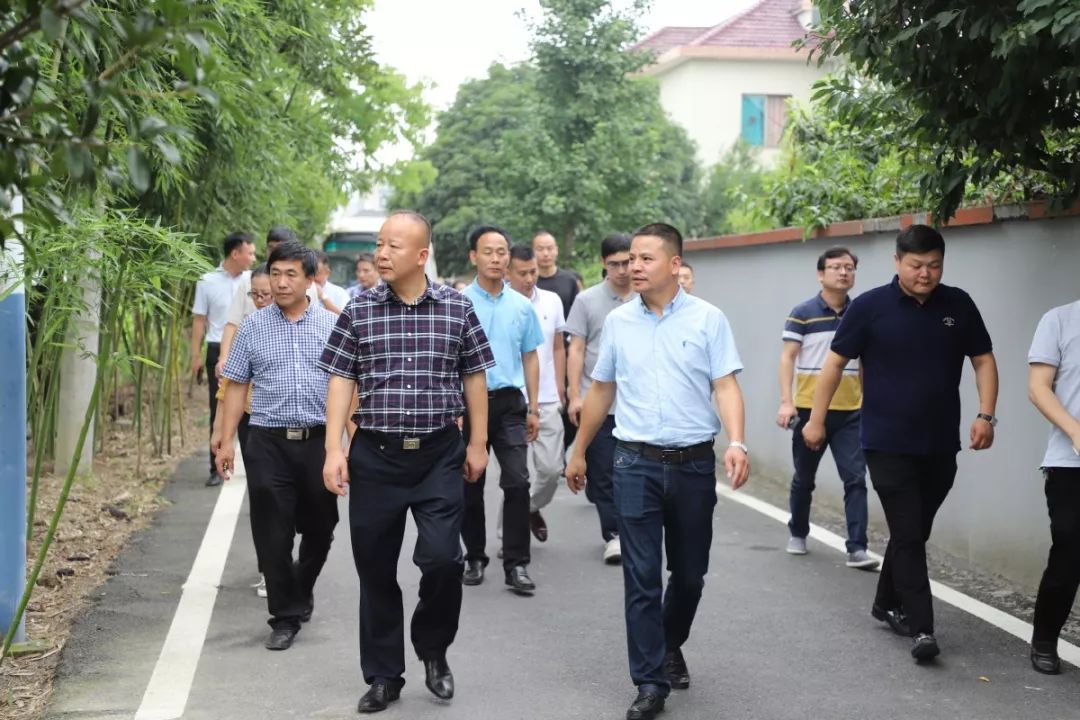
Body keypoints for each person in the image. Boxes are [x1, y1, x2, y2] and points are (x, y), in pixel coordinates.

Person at [566, 223, 750, 720]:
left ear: (674, 264)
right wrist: (580, 449)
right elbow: (602, 389)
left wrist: (736, 442)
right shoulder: (621, 323)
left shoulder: (709, 320)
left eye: (645, 259)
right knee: (640, 577)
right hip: (634, 463)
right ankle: (650, 682)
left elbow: (726, 386)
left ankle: (670, 643)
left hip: (692, 464)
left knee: (689, 576)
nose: (633, 268)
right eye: (629, 260)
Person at [320, 210, 494, 713]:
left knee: (443, 558)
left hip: (439, 454)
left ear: (421, 255)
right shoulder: (358, 311)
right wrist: (335, 447)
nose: (381, 253)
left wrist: (478, 442)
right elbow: (340, 380)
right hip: (375, 455)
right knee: (374, 569)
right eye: (379, 244)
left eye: (393, 245)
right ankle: (383, 675)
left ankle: (433, 648)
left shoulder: (457, 309)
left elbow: (475, 378)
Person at [802, 224, 998, 663]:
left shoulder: (958, 304)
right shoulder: (871, 307)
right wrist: (816, 420)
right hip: (885, 443)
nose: (925, 274)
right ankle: (922, 627)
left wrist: (985, 414)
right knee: (909, 533)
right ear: (897, 263)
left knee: (914, 530)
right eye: (915, 266)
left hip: (940, 443)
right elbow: (834, 365)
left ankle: (884, 601)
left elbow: (983, 359)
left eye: (934, 266)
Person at [214, 241, 339, 652]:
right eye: (276, 273)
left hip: (318, 440)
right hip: (267, 439)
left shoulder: (333, 326)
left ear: (310, 279)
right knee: (272, 530)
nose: (281, 282)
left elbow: (347, 388)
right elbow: (236, 386)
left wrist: (349, 446)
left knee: (322, 527)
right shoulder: (253, 326)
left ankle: (300, 586)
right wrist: (227, 439)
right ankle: (285, 616)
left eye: (291, 274)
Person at [776, 247, 877, 570]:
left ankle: (857, 547)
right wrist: (786, 402)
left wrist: (871, 401)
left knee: (856, 479)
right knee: (804, 478)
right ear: (821, 274)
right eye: (836, 267)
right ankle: (798, 532)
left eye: (849, 267)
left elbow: (865, 362)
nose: (843, 273)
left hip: (851, 411)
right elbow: (787, 358)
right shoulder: (803, 312)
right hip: (808, 411)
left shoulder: (862, 312)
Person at [460, 226, 544, 593]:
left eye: (502, 251)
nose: (496, 258)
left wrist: (534, 407)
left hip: (510, 404)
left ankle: (516, 564)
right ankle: (474, 556)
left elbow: (530, 356)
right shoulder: (458, 303)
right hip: (464, 405)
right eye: (488, 251)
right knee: (469, 482)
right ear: (473, 257)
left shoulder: (522, 307)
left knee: (518, 481)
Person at [566, 233, 636, 564]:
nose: (622, 270)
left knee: (634, 473)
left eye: (627, 262)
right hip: (599, 402)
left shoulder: (647, 296)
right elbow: (576, 347)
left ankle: (636, 529)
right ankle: (614, 535)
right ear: (603, 264)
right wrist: (574, 394)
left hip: (638, 405)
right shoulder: (587, 301)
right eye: (614, 264)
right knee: (605, 473)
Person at [210, 264, 274, 597]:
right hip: (255, 423)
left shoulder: (316, 324)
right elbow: (231, 383)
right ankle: (270, 568)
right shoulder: (248, 329)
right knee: (263, 496)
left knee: (304, 507)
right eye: (256, 295)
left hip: (301, 427)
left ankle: (293, 564)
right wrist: (222, 433)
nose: (261, 300)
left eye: (267, 294)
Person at [1026, 299, 1080, 675]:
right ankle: (1044, 639)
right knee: (1070, 549)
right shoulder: (1059, 320)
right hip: (1069, 461)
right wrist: (1076, 431)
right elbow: (1039, 388)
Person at [506, 245, 566, 542]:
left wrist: (561, 385)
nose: (530, 278)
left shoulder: (552, 301)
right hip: (510, 398)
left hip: (546, 398)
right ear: (508, 272)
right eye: (523, 273)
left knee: (552, 470)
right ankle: (510, 535)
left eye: (534, 272)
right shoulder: (501, 303)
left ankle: (529, 508)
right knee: (515, 477)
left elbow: (557, 346)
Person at [191, 230, 256, 486]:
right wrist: (195, 355)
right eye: (249, 252)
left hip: (249, 346)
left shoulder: (254, 280)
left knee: (248, 408)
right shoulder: (206, 281)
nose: (253, 257)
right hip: (217, 348)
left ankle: (252, 464)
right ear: (235, 253)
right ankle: (214, 465)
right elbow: (199, 319)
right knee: (218, 405)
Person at [215, 226, 318, 380]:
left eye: (281, 248)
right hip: (251, 357)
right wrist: (223, 358)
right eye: (271, 248)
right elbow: (232, 323)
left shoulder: (308, 287)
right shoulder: (247, 280)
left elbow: (310, 324)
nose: (275, 253)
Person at [532, 230, 579, 320]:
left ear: (556, 250)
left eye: (550, 248)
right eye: (540, 249)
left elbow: (578, 315)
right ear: (532, 252)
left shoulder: (569, 280)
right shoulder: (527, 281)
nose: (545, 254)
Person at [314, 250, 351, 314]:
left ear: (327, 273)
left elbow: (347, 318)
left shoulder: (340, 293)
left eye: (316, 274)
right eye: (308, 274)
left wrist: (323, 297)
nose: (312, 278)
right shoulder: (299, 291)